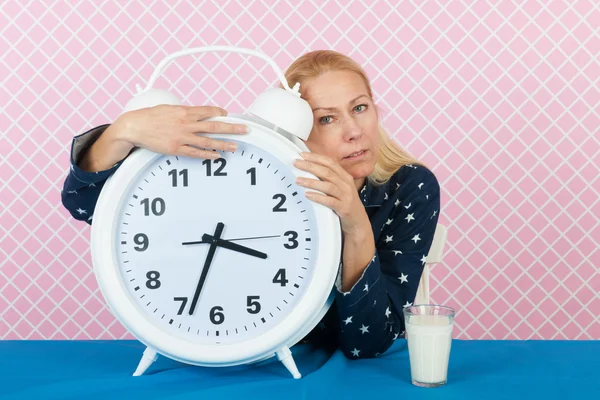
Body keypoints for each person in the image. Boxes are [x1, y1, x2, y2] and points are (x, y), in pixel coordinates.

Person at [61, 50, 440, 360]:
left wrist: (356, 225)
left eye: (359, 108)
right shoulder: (259, 171)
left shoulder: (409, 187)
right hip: (244, 360)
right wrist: (123, 130)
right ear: (300, 127)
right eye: (326, 118)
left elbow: (370, 341)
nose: (353, 131)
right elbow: (83, 205)